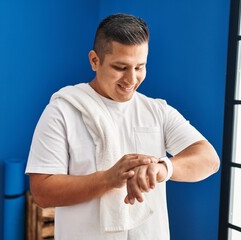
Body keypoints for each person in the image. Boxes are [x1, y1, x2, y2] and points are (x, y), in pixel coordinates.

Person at [25, 13, 220, 240]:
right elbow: (42, 191)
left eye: (140, 67)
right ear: (94, 60)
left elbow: (209, 159)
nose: (131, 79)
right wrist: (107, 179)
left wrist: (163, 169)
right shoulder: (62, 111)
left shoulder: (156, 110)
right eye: (120, 67)